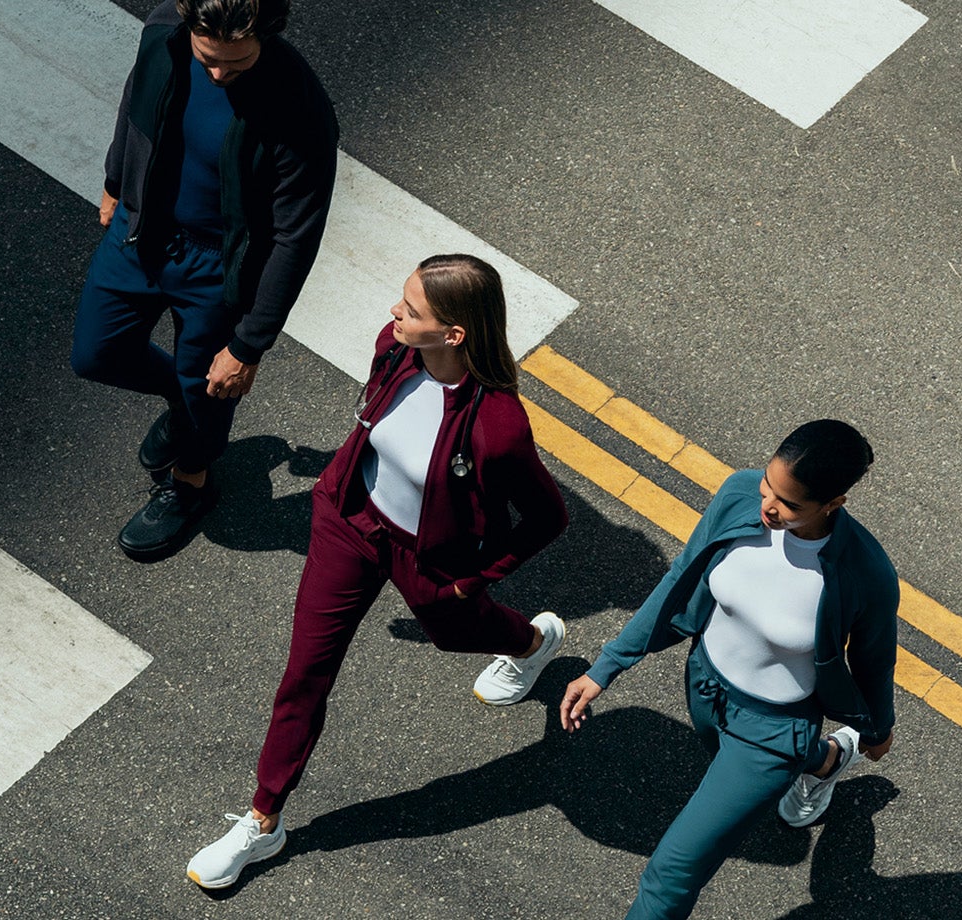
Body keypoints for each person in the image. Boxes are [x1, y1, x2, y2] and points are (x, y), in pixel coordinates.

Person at [185, 255, 569, 889]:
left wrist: (472, 581)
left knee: (455, 630)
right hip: (348, 519)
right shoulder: (391, 352)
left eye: (411, 309)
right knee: (306, 671)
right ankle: (262, 822)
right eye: (402, 299)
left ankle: (531, 642)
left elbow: (547, 517)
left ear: (455, 335)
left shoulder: (499, 427)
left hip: (428, 556)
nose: (394, 312)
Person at [558, 419, 900, 920]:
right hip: (704, 685)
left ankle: (809, 754)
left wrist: (877, 727)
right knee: (736, 772)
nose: (767, 507)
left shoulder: (866, 573)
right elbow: (683, 574)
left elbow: (873, 659)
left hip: (774, 730)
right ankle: (825, 761)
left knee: (670, 873)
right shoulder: (739, 493)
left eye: (789, 504)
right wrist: (606, 666)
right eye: (768, 485)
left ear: (833, 505)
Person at [71, 0, 337, 559]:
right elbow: (137, 103)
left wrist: (249, 344)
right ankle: (181, 396)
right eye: (208, 59)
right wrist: (117, 178)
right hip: (140, 230)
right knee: (96, 354)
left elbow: (295, 237)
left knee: (211, 388)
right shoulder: (164, 32)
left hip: (220, 263)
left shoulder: (301, 106)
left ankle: (191, 483)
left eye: (236, 66)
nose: (218, 75)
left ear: (266, 35)